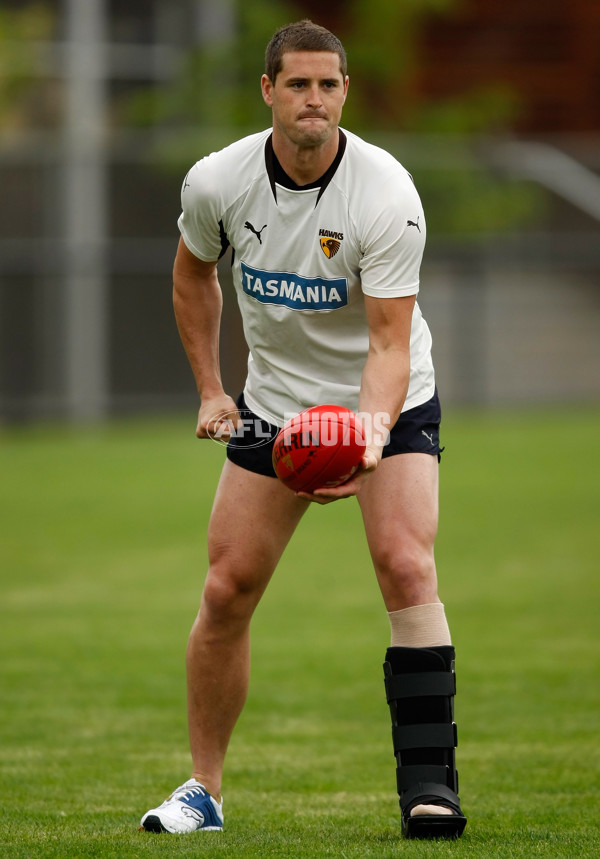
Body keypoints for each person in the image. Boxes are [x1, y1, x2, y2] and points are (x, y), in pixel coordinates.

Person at [139, 19, 467, 840]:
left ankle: (431, 787)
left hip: (385, 400)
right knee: (227, 588)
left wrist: (367, 434)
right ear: (269, 92)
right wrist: (214, 389)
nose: (312, 99)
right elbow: (191, 274)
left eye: (327, 84)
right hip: (277, 401)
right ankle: (202, 792)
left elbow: (391, 342)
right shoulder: (218, 182)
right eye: (297, 84)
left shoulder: (386, 194)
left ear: (344, 92)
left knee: (405, 564)